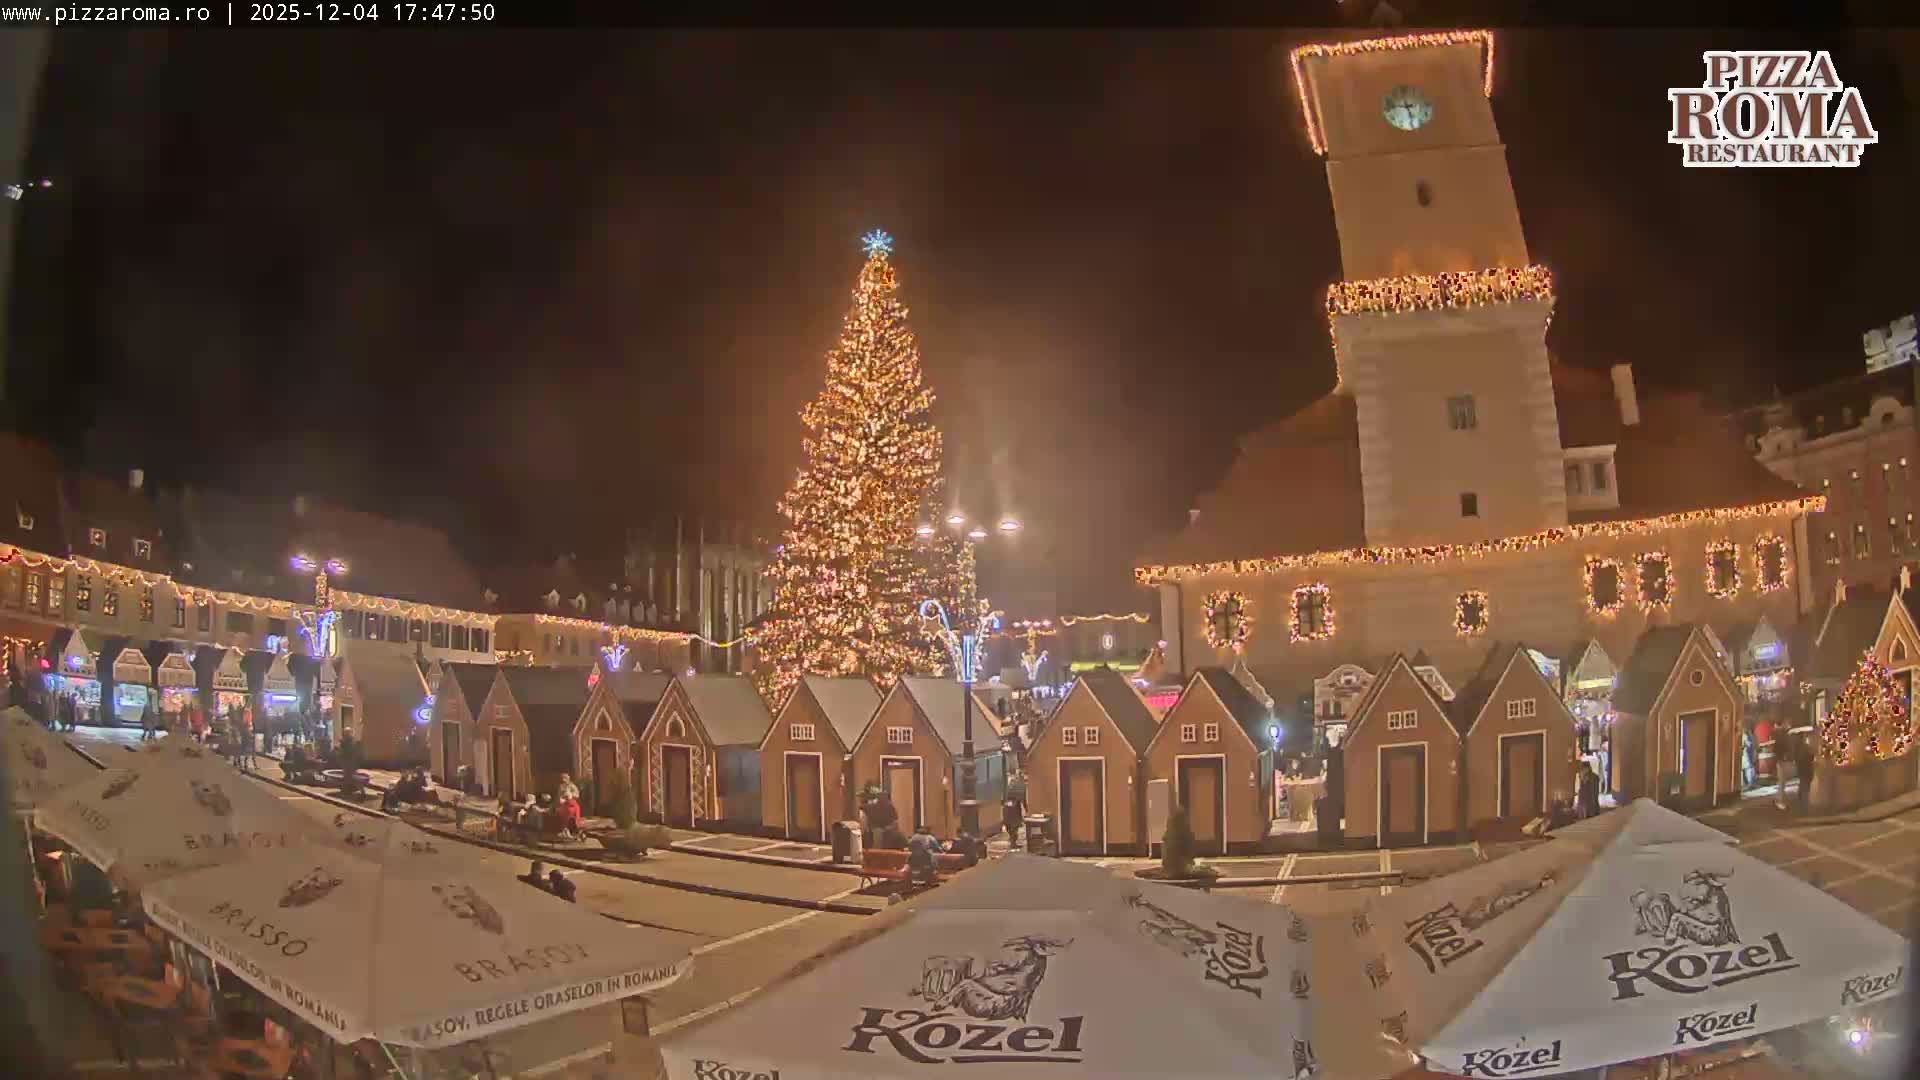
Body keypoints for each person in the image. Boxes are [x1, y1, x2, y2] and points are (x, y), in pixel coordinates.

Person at [1792, 731, 1816, 816]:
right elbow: (1810, 756)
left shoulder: (1797, 748)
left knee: (1803, 785)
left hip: (1802, 770)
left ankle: (1802, 804)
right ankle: (1804, 806)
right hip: (1806, 769)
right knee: (1805, 787)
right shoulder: (1804, 748)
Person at [1772, 723, 1794, 810]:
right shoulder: (1783, 736)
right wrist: (1785, 757)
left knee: (1782, 781)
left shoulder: (1780, 736)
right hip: (1782, 761)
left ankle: (1779, 799)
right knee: (1782, 782)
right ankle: (1779, 800)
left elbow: (1776, 749)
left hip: (1781, 760)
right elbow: (1783, 749)